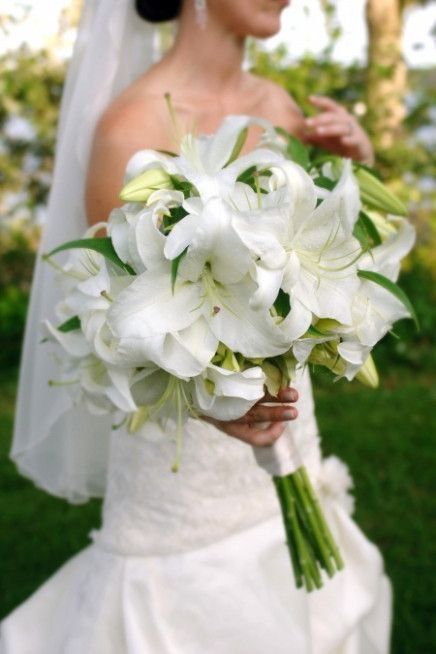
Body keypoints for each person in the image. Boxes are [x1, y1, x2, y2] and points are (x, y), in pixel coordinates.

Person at [1, 1, 391, 652]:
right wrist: (213, 404)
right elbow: (115, 320)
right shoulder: (128, 128)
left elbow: (325, 261)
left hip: (287, 417)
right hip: (180, 452)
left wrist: (359, 167)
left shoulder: (281, 105)